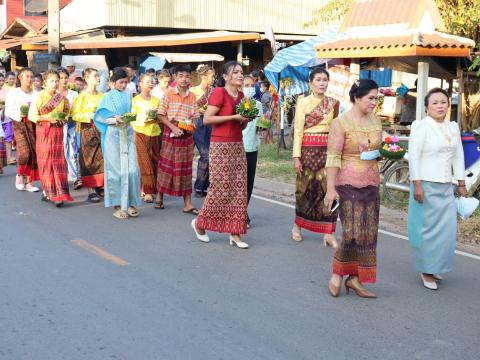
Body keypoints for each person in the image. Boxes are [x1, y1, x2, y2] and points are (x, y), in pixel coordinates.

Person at [324, 79, 382, 298]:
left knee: (368, 234)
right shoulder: (341, 123)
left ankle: (355, 279)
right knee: (351, 232)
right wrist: (331, 189)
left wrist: (380, 153)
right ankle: (338, 274)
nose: (374, 102)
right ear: (357, 98)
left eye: (376, 98)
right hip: (346, 183)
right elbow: (332, 157)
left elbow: (376, 148)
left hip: (371, 183)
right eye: (370, 98)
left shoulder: (376, 121)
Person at [407, 88, 466, 291]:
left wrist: (461, 183)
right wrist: (417, 184)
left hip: (446, 185)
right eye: (435, 102)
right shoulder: (421, 126)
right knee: (428, 231)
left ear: (448, 105)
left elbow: (458, 155)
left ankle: (436, 266)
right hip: (425, 185)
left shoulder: (452, 127)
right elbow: (414, 156)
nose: (440, 106)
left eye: (443, 102)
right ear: (426, 107)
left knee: (446, 231)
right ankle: (426, 270)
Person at [192, 61, 250, 249]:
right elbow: (207, 118)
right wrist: (233, 117)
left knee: (239, 188)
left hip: (237, 145)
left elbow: (241, 124)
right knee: (220, 187)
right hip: (220, 145)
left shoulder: (241, 95)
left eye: (242, 72)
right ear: (225, 77)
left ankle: (235, 233)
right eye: (235, 72)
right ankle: (200, 223)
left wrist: (244, 120)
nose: (240, 75)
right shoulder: (219, 93)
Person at [291, 68, 340, 248]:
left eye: (325, 80)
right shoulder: (303, 102)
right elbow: (298, 131)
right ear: (310, 83)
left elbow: (336, 131)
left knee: (329, 190)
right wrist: (296, 157)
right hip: (307, 152)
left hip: (327, 153)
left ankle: (329, 232)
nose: (322, 83)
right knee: (303, 190)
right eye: (318, 80)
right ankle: (297, 226)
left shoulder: (334, 104)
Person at [93, 68, 141, 219]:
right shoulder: (107, 96)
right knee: (115, 170)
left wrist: (129, 118)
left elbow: (128, 113)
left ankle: (131, 202)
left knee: (132, 169)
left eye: (126, 82)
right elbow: (99, 117)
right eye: (121, 82)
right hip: (113, 135)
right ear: (113, 82)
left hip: (127, 134)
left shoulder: (127, 97)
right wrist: (115, 120)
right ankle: (117, 205)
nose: (124, 85)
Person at [156, 64, 199, 212]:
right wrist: (174, 127)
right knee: (166, 166)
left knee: (186, 169)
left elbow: (195, 116)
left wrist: (191, 124)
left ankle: (187, 203)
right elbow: (160, 114)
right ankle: (159, 196)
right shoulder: (168, 93)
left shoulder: (192, 96)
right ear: (175, 77)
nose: (184, 79)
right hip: (170, 133)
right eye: (181, 76)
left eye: (187, 76)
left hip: (186, 135)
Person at [29, 70, 73, 207]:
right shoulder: (40, 96)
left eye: (57, 80)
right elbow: (32, 115)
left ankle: (60, 192)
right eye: (52, 81)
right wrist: (48, 118)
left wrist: (62, 120)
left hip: (58, 132)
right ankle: (49, 193)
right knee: (46, 162)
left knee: (58, 162)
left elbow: (66, 113)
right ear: (44, 83)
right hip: (44, 132)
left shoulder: (61, 98)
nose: (55, 83)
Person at [71, 67, 104, 203]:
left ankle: (100, 184)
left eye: (98, 76)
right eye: (95, 76)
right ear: (87, 78)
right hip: (87, 129)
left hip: (102, 128)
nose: (98, 78)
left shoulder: (102, 95)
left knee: (102, 158)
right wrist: (89, 115)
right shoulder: (81, 97)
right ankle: (91, 190)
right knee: (88, 159)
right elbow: (74, 115)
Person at [5, 68, 39, 192]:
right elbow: (8, 110)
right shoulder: (13, 93)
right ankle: (20, 175)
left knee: (34, 152)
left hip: (33, 124)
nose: (30, 79)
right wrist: (19, 114)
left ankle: (29, 182)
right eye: (27, 77)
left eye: (31, 77)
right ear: (20, 77)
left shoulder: (36, 93)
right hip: (19, 124)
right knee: (25, 152)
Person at [131, 74, 162, 204]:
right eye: (148, 81)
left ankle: (153, 188)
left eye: (152, 82)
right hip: (140, 131)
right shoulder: (135, 100)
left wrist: (156, 116)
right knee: (144, 162)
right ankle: (148, 191)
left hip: (155, 132)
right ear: (140, 84)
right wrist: (145, 117)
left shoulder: (156, 100)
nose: (151, 84)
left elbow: (161, 115)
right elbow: (132, 117)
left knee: (155, 160)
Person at [190, 64, 215, 197]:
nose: (214, 78)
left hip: (211, 123)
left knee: (211, 155)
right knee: (205, 154)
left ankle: (205, 186)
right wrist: (200, 110)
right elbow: (190, 109)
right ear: (204, 76)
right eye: (212, 76)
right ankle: (199, 185)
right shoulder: (193, 91)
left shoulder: (214, 90)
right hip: (198, 123)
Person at [241, 75, 263, 228]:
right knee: (237, 183)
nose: (249, 87)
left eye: (252, 85)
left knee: (248, 183)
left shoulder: (258, 105)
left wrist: (264, 126)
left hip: (252, 146)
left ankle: (243, 212)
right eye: (246, 84)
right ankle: (237, 213)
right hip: (236, 146)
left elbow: (260, 125)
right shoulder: (236, 102)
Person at [58, 68, 80, 186]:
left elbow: (77, 109)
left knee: (72, 149)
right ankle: (61, 175)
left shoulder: (74, 93)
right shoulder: (54, 94)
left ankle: (75, 176)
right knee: (61, 149)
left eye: (65, 77)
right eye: (61, 78)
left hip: (71, 124)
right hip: (58, 125)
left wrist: (71, 114)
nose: (63, 80)